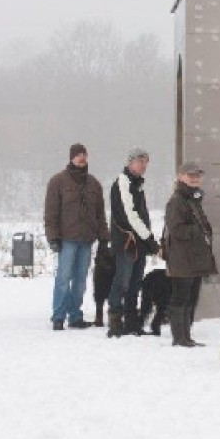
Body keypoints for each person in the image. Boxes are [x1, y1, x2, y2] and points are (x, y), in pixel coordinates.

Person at [44, 143, 109, 330]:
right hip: (67, 239)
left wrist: (104, 236)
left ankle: (75, 316)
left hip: (87, 239)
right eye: (78, 155)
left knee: (80, 281)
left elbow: (100, 213)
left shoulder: (94, 183)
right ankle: (58, 316)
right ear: (71, 158)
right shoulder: (58, 181)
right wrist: (52, 237)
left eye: (84, 154)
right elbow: (51, 212)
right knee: (63, 279)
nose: (81, 158)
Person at [107, 147, 161, 338]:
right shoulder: (122, 182)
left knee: (135, 282)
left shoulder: (137, 184)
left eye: (145, 162)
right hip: (126, 242)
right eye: (140, 161)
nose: (143, 165)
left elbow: (141, 215)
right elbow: (130, 216)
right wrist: (150, 239)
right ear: (130, 162)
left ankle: (131, 321)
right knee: (122, 281)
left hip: (139, 242)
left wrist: (146, 239)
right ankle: (115, 321)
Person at [163, 162, 217, 347]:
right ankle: (179, 337)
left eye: (197, 175)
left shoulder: (192, 199)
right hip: (182, 258)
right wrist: (198, 231)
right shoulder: (177, 200)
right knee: (181, 298)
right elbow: (176, 228)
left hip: (194, 257)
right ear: (180, 176)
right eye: (190, 175)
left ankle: (186, 336)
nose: (194, 178)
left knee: (192, 298)